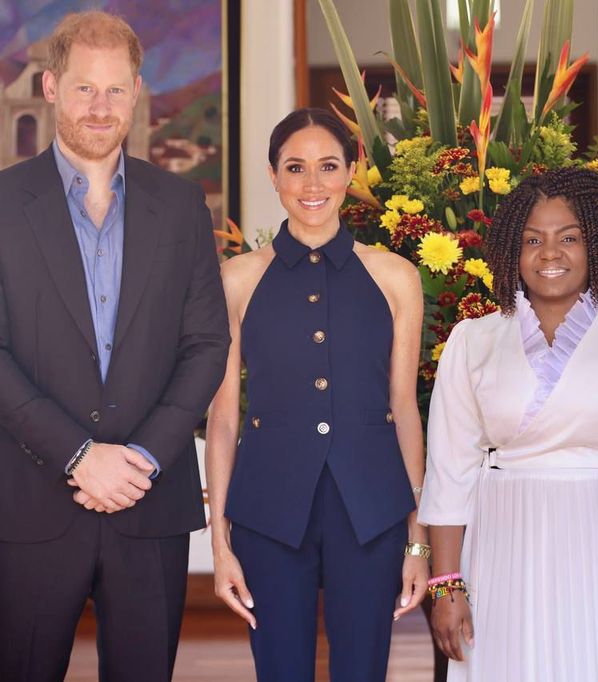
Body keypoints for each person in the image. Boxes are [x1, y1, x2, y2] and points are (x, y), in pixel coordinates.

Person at [0, 10, 230, 681]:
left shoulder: (183, 205)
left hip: (147, 497)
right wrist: (79, 456)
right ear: (50, 87)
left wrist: (138, 457)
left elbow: (207, 345)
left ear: (136, 92)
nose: (99, 107)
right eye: (83, 88)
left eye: (115, 90)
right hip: (28, 499)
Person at [419, 166, 598, 681]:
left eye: (568, 238)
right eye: (533, 240)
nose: (550, 254)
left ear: (595, 244)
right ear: (512, 250)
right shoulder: (473, 339)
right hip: (503, 549)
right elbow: (448, 471)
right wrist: (447, 583)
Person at [205, 108, 430, 681]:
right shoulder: (238, 280)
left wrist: (417, 539)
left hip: (372, 509)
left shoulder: (396, 276)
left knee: (363, 672)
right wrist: (220, 545)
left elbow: (404, 408)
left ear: (351, 172)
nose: (312, 185)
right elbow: (225, 418)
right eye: (295, 168)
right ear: (273, 175)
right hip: (267, 510)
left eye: (328, 167)